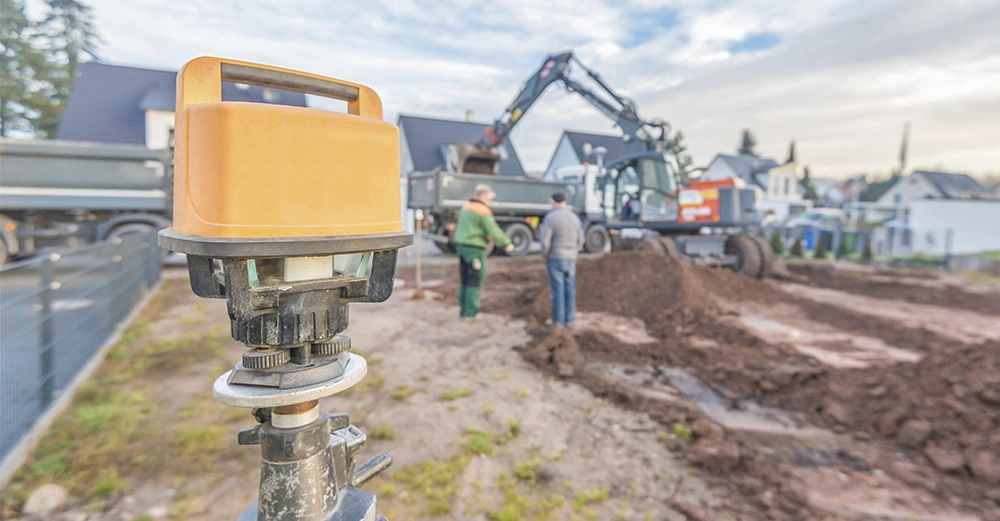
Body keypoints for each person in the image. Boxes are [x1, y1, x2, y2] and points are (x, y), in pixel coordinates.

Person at [454, 184, 514, 319]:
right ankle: (470, 313)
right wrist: (506, 243)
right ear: (482, 196)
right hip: (475, 249)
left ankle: (463, 310)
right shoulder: (482, 210)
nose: (490, 202)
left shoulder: (466, 207)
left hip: (462, 247)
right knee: (474, 279)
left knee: (465, 279)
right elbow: (493, 230)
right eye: (489, 199)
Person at [539, 192, 584, 328]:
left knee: (557, 290)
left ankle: (558, 321)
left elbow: (545, 241)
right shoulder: (574, 217)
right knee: (569, 289)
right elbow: (581, 240)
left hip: (555, 257)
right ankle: (569, 320)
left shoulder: (551, 217)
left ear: (553, 202)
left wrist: (545, 254)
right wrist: (574, 252)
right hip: (571, 258)